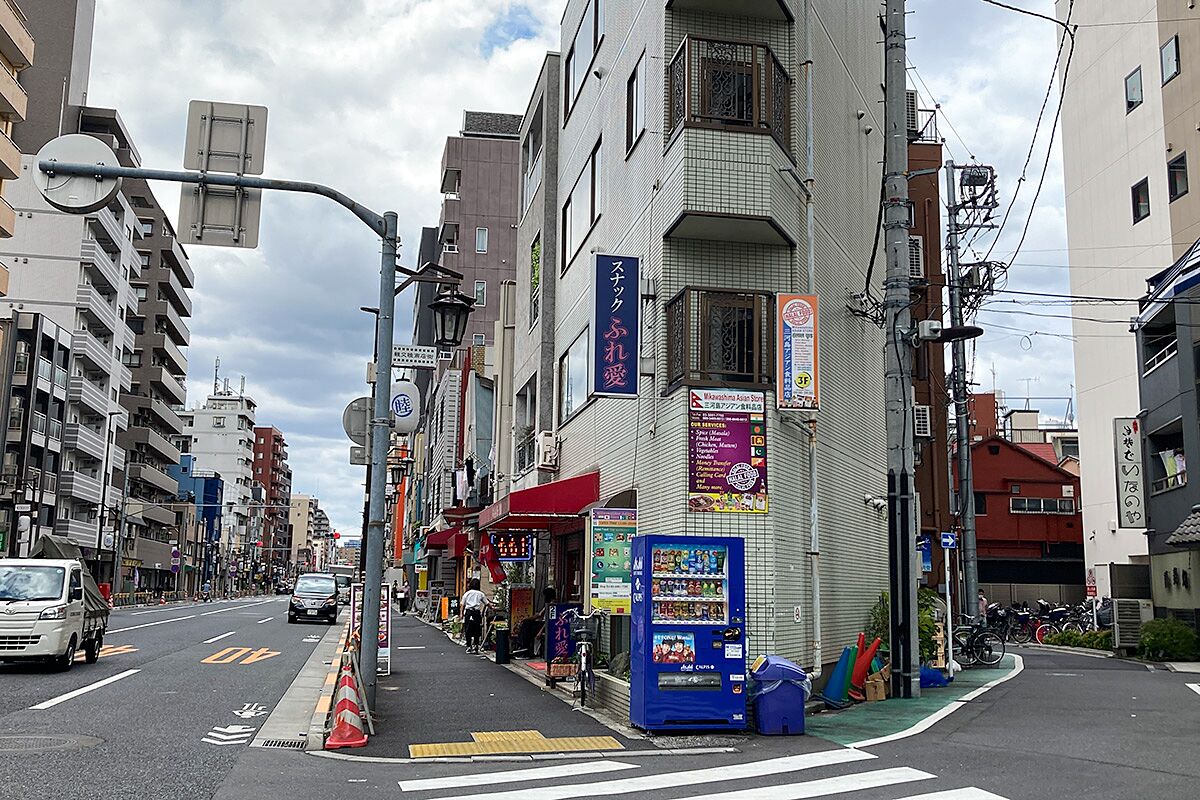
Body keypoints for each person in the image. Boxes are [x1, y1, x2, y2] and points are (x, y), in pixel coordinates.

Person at [461, 578, 490, 654]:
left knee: (468, 629)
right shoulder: (480, 594)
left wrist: (461, 614)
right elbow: (487, 603)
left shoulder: (467, 593)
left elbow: (462, 604)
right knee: (477, 629)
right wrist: (493, 607)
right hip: (476, 613)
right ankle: (476, 645)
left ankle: (469, 646)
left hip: (469, 612)